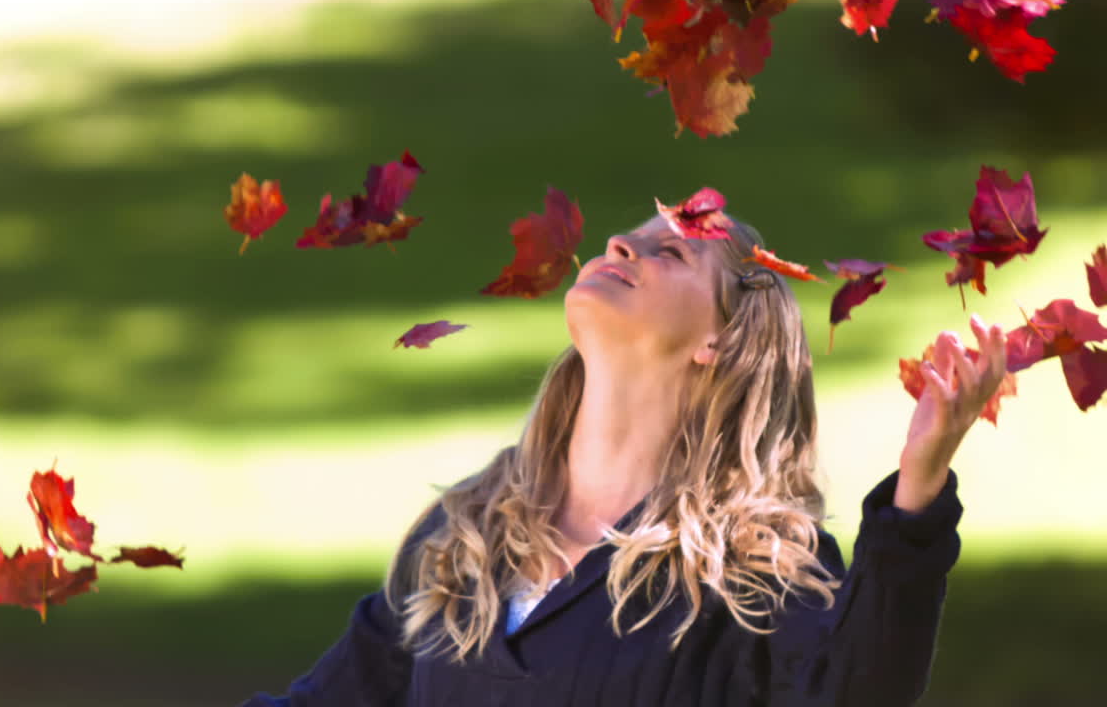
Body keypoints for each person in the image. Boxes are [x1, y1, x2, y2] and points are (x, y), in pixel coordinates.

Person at [242, 208, 1009, 707]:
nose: (619, 244)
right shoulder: (464, 538)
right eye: (632, 235)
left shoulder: (753, 571)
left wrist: (918, 492)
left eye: (670, 250)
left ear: (720, 340)